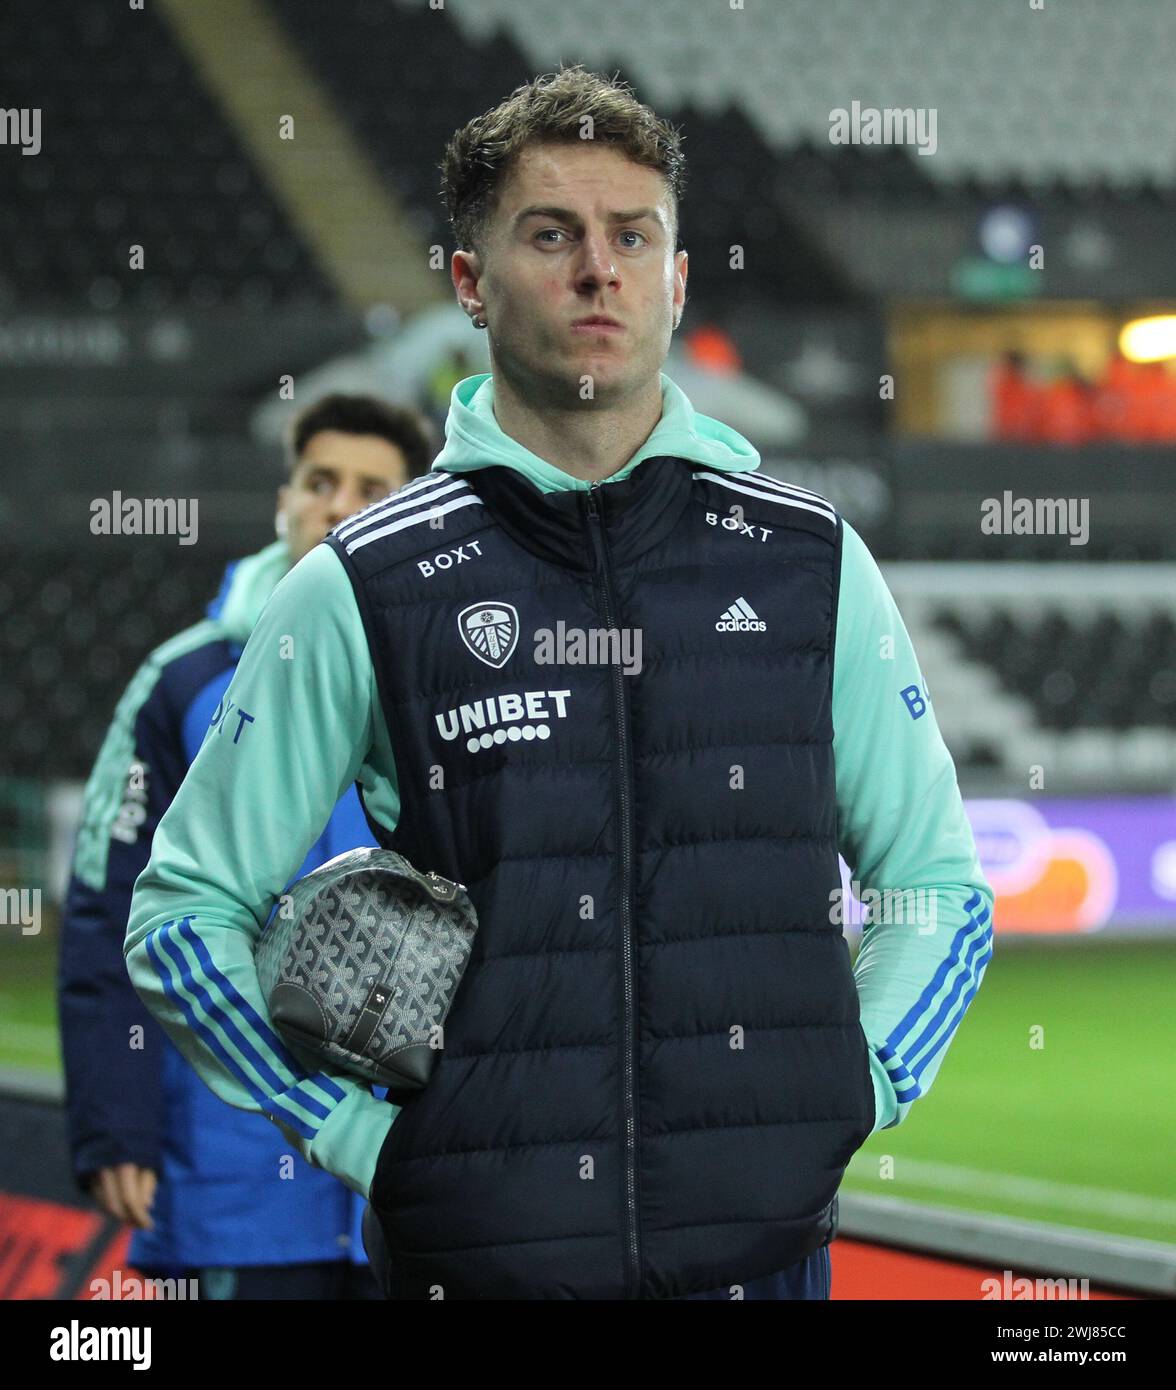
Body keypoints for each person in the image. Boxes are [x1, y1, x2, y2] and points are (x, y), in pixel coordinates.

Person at [125, 65, 994, 1301]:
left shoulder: (812, 563)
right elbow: (182, 914)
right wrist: (362, 1138)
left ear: (677, 279)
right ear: (470, 282)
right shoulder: (359, 585)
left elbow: (938, 887)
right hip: (475, 1268)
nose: (601, 269)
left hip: (764, 1271)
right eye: (553, 234)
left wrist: (855, 1085)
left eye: (633, 235)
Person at [59, 392, 433, 1299]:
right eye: (320, 481)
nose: (339, 505)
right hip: (238, 1172)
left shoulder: (453, 671)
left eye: (372, 487)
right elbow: (108, 905)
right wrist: (116, 1122)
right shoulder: (181, 679)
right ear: (283, 499)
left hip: (423, 1174)